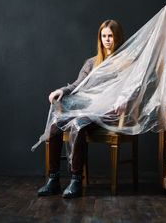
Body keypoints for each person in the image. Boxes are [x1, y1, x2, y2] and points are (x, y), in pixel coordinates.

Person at [37, 19, 124, 198]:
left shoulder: (125, 63)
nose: (107, 40)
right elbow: (77, 85)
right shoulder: (92, 63)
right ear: (100, 38)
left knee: (77, 124)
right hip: (89, 110)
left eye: (111, 36)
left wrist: (125, 97)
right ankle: (53, 180)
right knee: (56, 123)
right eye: (104, 36)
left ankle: (76, 180)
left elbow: (133, 85)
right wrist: (61, 90)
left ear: (117, 38)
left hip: (109, 113)